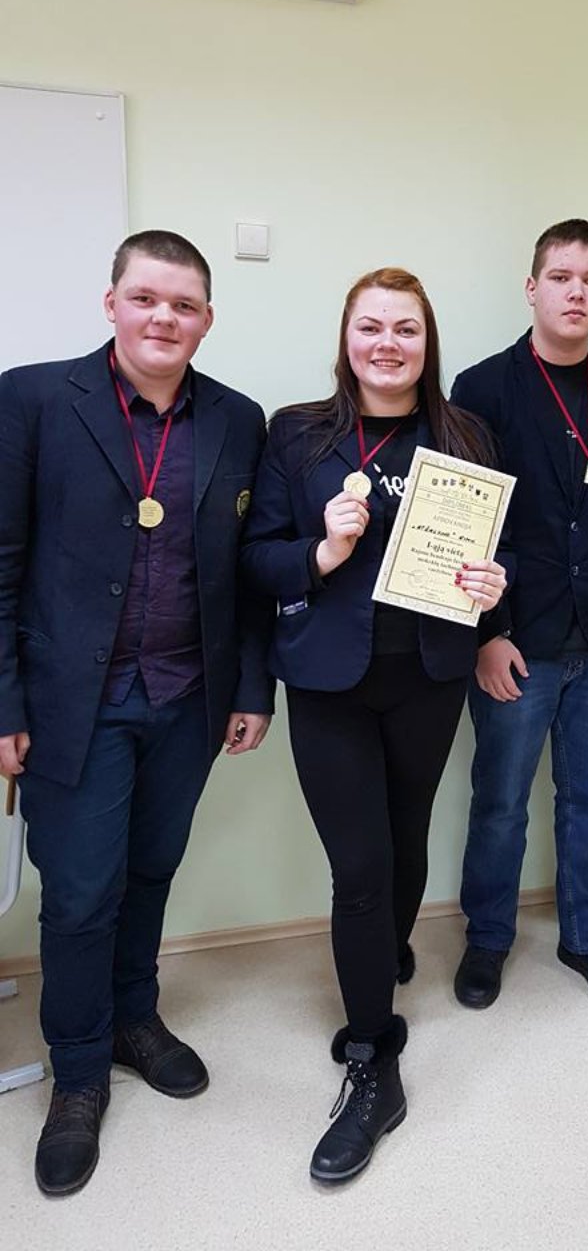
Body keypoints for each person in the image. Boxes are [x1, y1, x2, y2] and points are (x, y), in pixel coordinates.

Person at [0, 230, 275, 1195]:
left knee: (151, 869)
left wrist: (252, 689)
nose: (165, 317)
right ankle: (77, 1075)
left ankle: (132, 1018)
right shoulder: (33, 399)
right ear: (110, 302)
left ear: (208, 319)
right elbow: (0, 564)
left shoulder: (238, 420)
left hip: (188, 698)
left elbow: (247, 573)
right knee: (80, 893)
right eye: (147, 298)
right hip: (73, 703)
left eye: (184, 304)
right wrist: (3, 702)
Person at [241, 268, 507, 1184]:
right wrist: (323, 550)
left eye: (406, 329)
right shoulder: (297, 433)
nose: (387, 344)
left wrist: (495, 587)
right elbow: (257, 559)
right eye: (370, 327)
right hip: (328, 683)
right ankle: (371, 1057)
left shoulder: (465, 434)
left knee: (403, 840)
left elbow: (498, 552)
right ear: (346, 339)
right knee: (359, 868)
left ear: (427, 344)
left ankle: (383, 958)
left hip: (429, 676)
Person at [451, 219, 588, 1013]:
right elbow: (465, 523)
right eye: (561, 276)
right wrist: (487, 635)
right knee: (500, 802)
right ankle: (488, 937)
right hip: (517, 638)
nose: (576, 292)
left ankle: (586, 937)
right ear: (532, 287)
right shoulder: (482, 387)